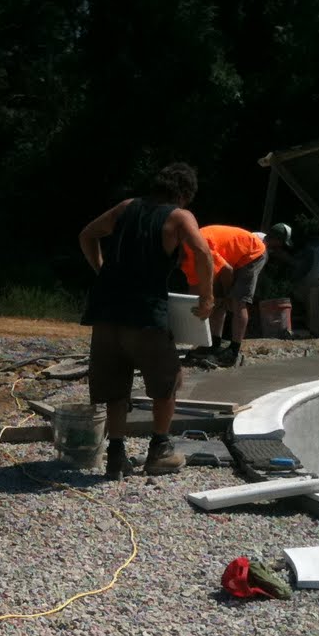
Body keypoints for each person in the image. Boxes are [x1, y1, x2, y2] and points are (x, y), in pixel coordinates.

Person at [78, 162, 215, 479]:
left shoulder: (126, 207)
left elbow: (87, 235)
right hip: (146, 316)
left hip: (107, 313)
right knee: (167, 382)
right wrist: (207, 298)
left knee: (114, 387)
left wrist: (102, 270)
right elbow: (203, 252)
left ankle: (115, 456)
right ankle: (159, 450)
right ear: (183, 194)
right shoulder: (179, 216)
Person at [178, 225, 268, 367]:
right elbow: (195, 288)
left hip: (252, 252)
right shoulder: (184, 261)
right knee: (217, 301)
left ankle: (233, 351)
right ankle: (214, 344)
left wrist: (227, 295)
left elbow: (227, 270)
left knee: (238, 301)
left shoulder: (199, 247)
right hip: (231, 258)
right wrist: (193, 309)